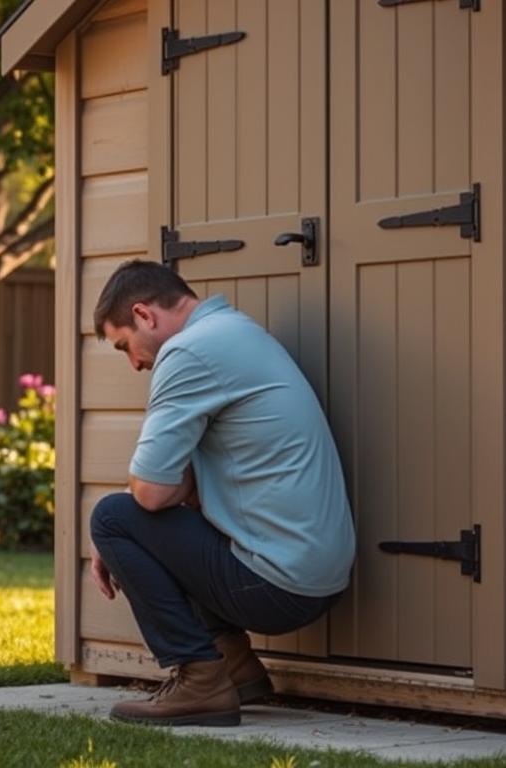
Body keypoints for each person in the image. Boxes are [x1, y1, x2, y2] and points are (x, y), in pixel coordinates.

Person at [90, 260, 355, 727]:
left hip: (278, 585)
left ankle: (200, 680)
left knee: (112, 518)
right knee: (138, 519)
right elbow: (172, 489)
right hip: (319, 576)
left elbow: (149, 493)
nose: (135, 364)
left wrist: (115, 538)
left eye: (125, 345)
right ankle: (234, 667)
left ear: (144, 315)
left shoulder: (189, 352)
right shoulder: (234, 331)